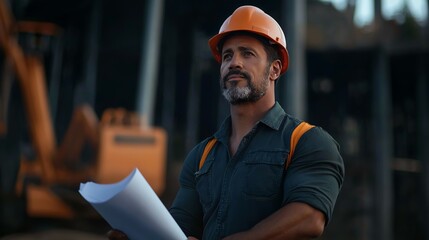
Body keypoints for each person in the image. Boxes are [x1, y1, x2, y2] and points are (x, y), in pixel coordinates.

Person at [108, 5, 344, 240]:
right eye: (227, 56)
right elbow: (180, 230)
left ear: (274, 70)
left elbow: (309, 217)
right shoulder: (201, 157)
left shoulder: (307, 142)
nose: (234, 63)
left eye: (247, 53)